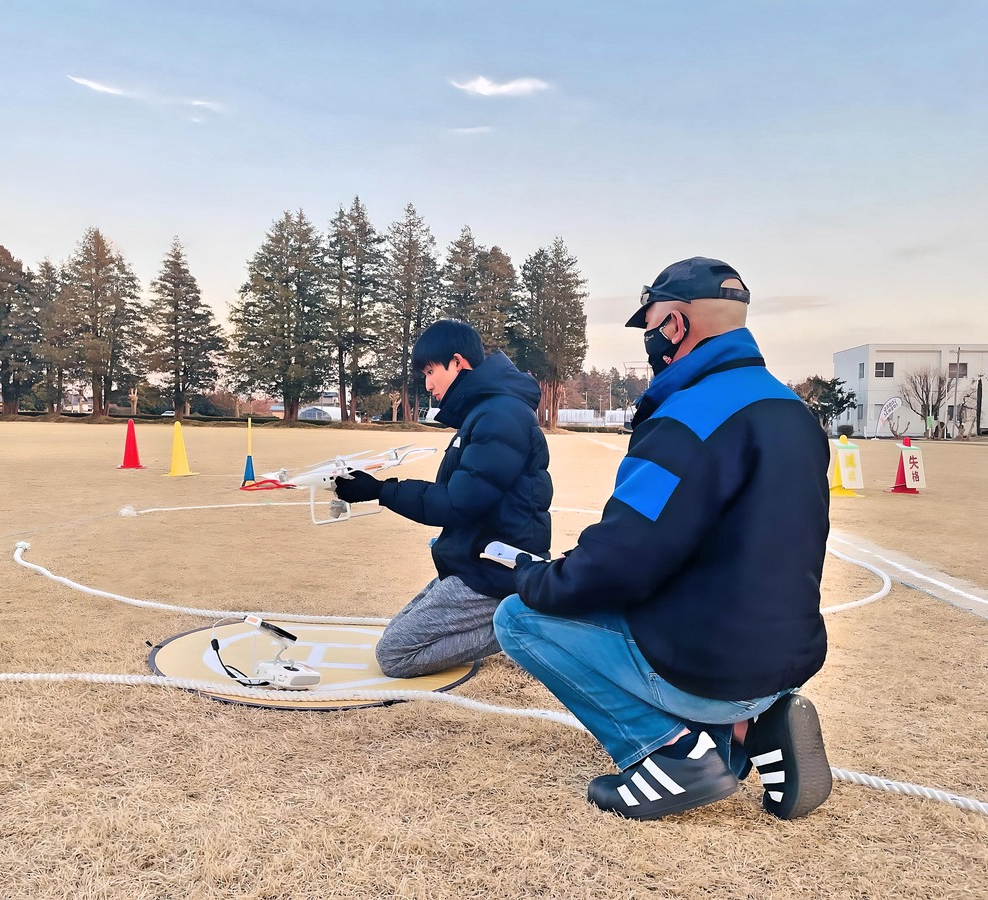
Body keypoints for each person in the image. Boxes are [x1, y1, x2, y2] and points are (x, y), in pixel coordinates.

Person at [493, 257, 833, 821]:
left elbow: (622, 561)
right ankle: (755, 729)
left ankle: (673, 753)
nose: (649, 340)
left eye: (650, 325)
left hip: (710, 663)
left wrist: (534, 576)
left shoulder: (690, 415)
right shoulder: (793, 410)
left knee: (517, 618)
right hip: (783, 656)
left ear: (674, 325)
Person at [336, 319, 553, 678]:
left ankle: (524, 621)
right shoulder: (482, 413)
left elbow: (457, 503)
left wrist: (380, 491)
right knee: (399, 633)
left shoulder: (501, 415)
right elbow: (461, 495)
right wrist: (378, 489)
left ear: (458, 362)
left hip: (494, 569)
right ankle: (515, 613)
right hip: (470, 560)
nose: (428, 383)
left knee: (394, 655)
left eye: (431, 371)